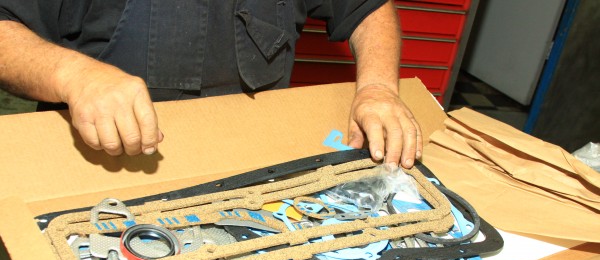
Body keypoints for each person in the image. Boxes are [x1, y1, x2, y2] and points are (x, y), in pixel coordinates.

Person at [0, 0, 422, 168]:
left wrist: (378, 88)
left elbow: (368, 8)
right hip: (95, 165)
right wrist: (74, 75)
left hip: (252, 174)